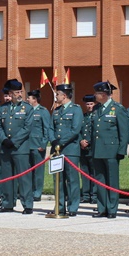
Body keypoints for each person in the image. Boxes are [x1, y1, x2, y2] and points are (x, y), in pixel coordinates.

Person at [89, 81, 129, 219]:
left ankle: (112, 208)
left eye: (97, 93)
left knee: (112, 180)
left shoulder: (117, 108)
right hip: (97, 150)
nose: (95, 96)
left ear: (104, 94)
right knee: (100, 180)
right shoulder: (96, 109)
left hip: (111, 150)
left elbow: (123, 132)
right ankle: (102, 207)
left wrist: (121, 151)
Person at [0, 79, 33, 214]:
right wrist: (4, 139)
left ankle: (27, 204)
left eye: (20, 92)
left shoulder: (27, 108)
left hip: (20, 148)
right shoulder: (3, 108)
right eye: (16, 92)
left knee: (23, 178)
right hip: (6, 148)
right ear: (10, 93)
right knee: (6, 177)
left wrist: (14, 141)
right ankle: (7, 203)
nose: (19, 94)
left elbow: (27, 127)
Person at [51, 84, 84, 217]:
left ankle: (72, 206)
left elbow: (75, 129)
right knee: (57, 179)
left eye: (57, 94)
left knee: (72, 179)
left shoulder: (76, 110)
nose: (56, 96)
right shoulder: (56, 111)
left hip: (70, 149)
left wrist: (61, 142)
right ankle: (59, 206)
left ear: (64, 95)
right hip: (57, 150)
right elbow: (50, 128)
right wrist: (53, 141)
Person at [25, 89, 52, 213]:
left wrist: (43, 144)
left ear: (35, 99)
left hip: (37, 145)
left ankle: (37, 192)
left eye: (29, 98)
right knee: (27, 170)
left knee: (38, 170)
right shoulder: (26, 111)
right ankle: (28, 191)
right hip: (26, 145)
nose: (27, 100)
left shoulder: (43, 111)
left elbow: (46, 128)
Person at [79, 94, 97, 206]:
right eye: (87, 104)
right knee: (84, 172)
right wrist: (81, 141)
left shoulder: (97, 116)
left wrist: (88, 141)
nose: (89, 106)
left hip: (93, 147)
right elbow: (79, 130)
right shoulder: (83, 117)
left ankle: (94, 195)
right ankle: (85, 195)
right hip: (83, 148)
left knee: (94, 172)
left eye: (91, 104)